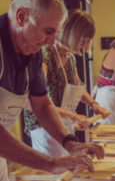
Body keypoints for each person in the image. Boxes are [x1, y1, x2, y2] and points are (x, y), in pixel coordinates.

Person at [0, 0, 104, 181]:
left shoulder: (32, 53)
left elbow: (43, 104)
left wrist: (69, 142)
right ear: (21, 16)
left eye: (54, 34)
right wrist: (50, 163)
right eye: (48, 31)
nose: (50, 42)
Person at [23, 9, 110, 158]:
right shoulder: (44, 56)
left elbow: (77, 87)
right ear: (70, 34)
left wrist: (94, 104)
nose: (83, 45)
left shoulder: (69, 57)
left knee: (68, 165)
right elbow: (33, 103)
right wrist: (73, 116)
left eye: (87, 42)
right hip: (44, 127)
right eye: (82, 40)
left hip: (64, 122)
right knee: (56, 171)